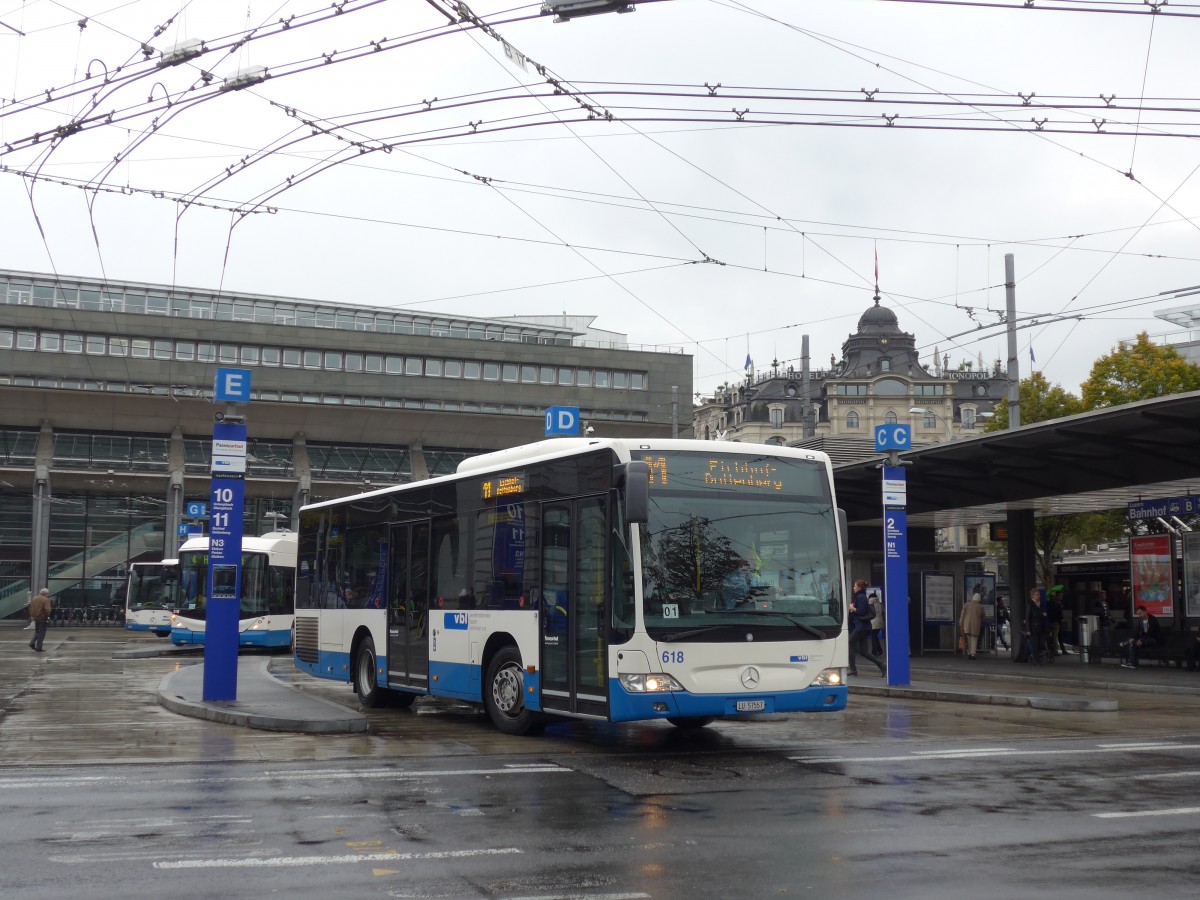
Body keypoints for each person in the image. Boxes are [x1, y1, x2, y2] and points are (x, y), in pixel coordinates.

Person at [848, 579, 885, 677]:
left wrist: (852, 608)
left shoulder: (860, 597)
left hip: (861, 628)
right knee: (863, 651)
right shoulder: (861, 596)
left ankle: (853, 669)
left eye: (855, 586)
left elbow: (861, 611)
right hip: (864, 628)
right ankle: (881, 665)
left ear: (859, 587)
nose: (853, 587)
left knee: (850, 645)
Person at [1120, 605, 1161, 669]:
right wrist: (1133, 638)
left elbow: (1150, 632)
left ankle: (1126, 643)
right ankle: (1132, 663)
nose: (1139, 615)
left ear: (1145, 612)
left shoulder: (1152, 619)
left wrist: (1141, 640)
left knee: (1134, 642)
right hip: (1145, 640)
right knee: (1132, 644)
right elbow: (1137, 632)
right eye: (1138, 614)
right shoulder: (1140, 621)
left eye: (1140, 613)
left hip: (1154, 639)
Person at [1023, 588, 1050, 664]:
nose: (1039, 596)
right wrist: (1028, 630)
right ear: (1032, 596)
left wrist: (1044, 615)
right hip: (1033, 627)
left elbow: (1044, 613)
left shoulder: (1041, 604)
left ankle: (1038, 656)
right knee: (1035, 644)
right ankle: (1036, 660)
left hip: (1041, 627)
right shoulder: (1030, 604)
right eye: (1037, 594)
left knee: (1042, 642)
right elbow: (1028, 617)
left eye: (1039, 594)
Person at [959, 592, 984, 660]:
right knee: (974, 639)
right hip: (975, 625)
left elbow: (962, 615)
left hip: (967, 625)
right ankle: (973, 654)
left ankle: (969, 653)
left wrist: (961, 624)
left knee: (968, 639)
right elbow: (983, 615)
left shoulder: (966, 605)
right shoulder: (980, 607)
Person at [28, 588, 52, 653]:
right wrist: (48, 616)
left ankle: (32, 643)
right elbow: (47, 610)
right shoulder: (46, 600)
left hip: (35, 617)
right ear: (46, 594)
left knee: (37, 631)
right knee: (41, 633)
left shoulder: (34, 598)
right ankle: (39, 648)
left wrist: (32, 615)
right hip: (42, 618)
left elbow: (30, 608)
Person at [1045, 586, 1065, 656]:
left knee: (1048, 637)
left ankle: (1048, 649)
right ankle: (1055, 650)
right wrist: (1061, 619)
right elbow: (1060, 614)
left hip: (1049, 622)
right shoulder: (1058, 604)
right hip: (1056, 623)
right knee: (1055, 637)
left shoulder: (1047, 604)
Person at [868, 591, 885, 657]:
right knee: (874, 636)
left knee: (874, 636)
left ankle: (877, 650)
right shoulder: (880, 604)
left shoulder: (869, 604)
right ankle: (876, 650)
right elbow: (883, 612)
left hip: (872, 623)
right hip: (880, 623)